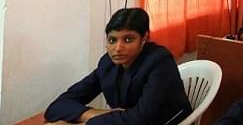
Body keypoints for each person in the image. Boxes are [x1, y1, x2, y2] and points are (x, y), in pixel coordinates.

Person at [44, 8, 191, 125]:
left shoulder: (160, 62)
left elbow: (141, 118)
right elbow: (57, 106)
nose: (118, 48)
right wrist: (94, 114)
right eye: (112, 40)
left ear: (144, 39)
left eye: (128, 39)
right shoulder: (107, 64)